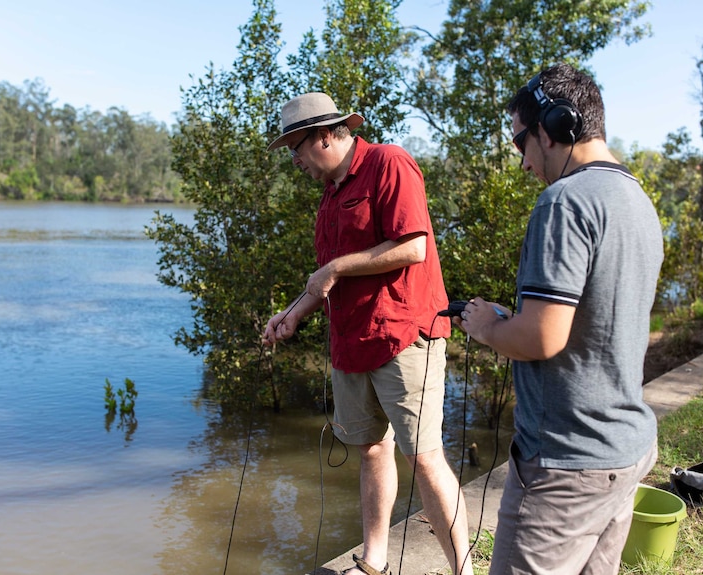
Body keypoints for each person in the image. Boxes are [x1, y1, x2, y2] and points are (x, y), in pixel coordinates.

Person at [455, 63, 663, 574]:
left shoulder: (564, 202)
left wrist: (486, 328)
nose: (523, 163)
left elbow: (543, 337)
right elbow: (592, 322)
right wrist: (513, 318)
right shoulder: (637, 200)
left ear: (554, 127)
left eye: (519, 143)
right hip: (625, 449)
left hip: (566, 467)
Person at [262, 92, 472, 575]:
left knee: (424, 457)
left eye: (296, 147)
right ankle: (374, 562)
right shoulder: (329, 199)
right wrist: (294, 313)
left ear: (325, 135)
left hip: (403, 336)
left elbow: (413, 247)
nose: (294, 160)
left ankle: (463, 569)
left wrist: (335, 266)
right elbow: (328, 278)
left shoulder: (389, 163)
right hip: (351, 344)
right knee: (371, 450)